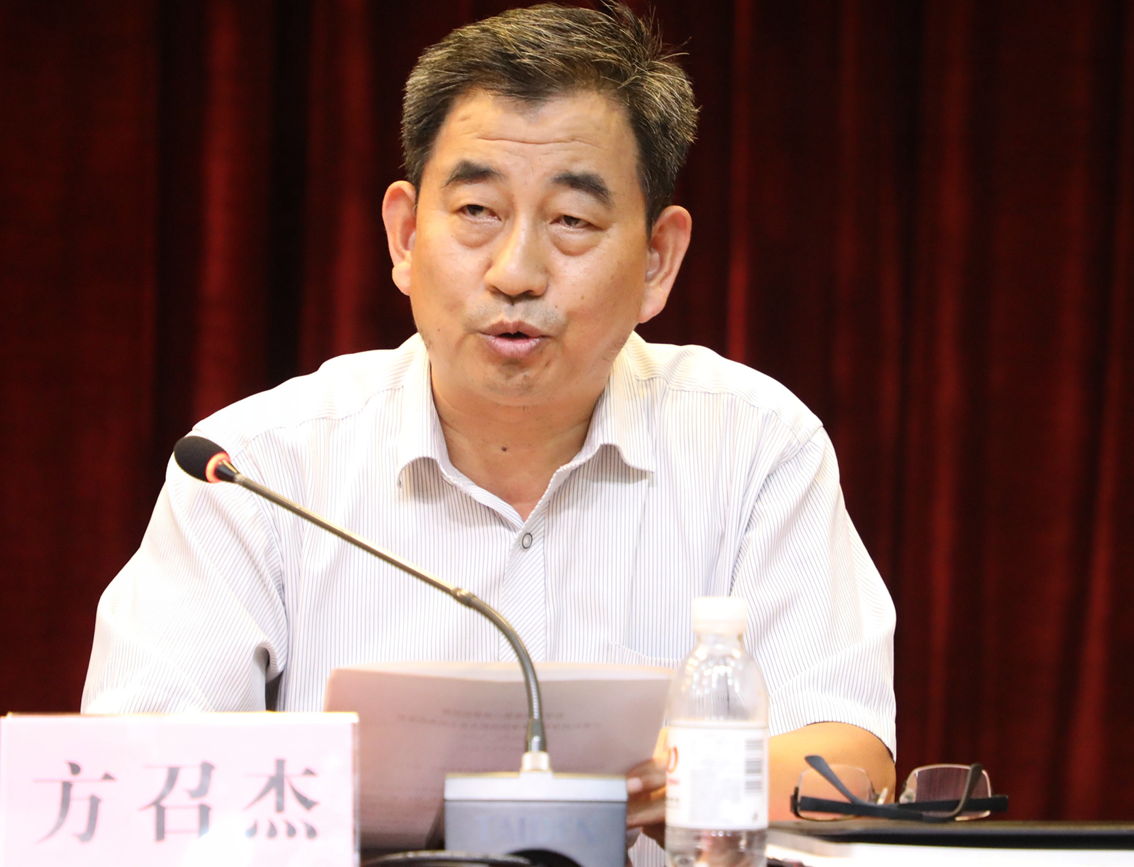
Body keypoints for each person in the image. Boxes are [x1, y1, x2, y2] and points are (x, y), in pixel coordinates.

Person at [82, 1, 896, 851]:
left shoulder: (755, 447)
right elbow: (129, 775)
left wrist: (653, 780)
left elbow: (849, 762)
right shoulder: (253, 469)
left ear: (657, 260)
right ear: (405, 235)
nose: (516, 271)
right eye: (476, 210)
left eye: (572, 220)